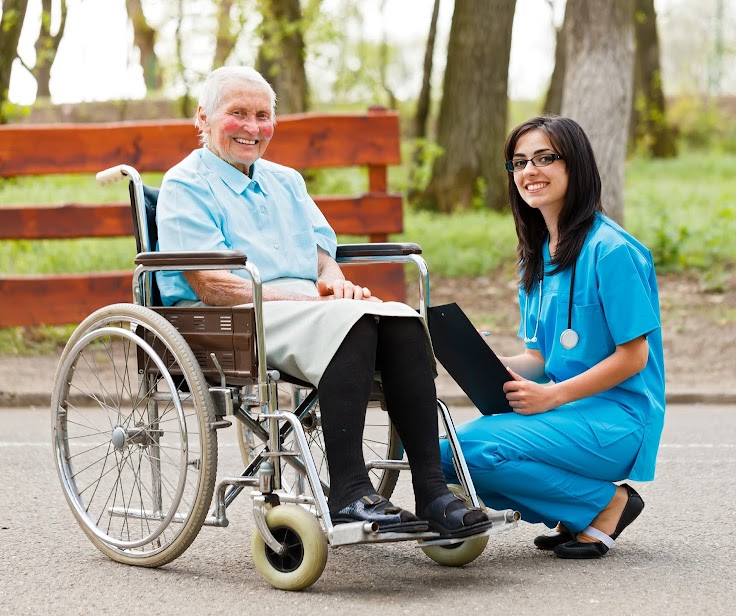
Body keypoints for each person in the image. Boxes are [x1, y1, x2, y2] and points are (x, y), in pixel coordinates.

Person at [155, 65, 490, 539]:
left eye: (263, 116)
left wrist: (336, 285)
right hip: (232, 315)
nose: (253, 127)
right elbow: (212, 284)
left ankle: (434, 493)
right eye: (238, 114)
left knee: (398, 319)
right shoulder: (185, 184)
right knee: (350, 324)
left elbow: (321, 256)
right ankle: (349, 493)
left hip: (306, 309)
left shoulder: (287, 181)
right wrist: (311, 301)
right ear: (203, 119)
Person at [439, 115, 665, 559]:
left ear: (574, 165)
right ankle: (584, 507)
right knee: (445, 455)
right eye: (519, 162)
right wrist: (484, 361)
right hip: (566, 412)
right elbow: (539, 358)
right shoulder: (537, 256)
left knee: (468, 449)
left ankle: (605, 505)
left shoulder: (614, 251)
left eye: (545, 158)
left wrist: (553, 397)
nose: (529, 171)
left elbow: (634, 356)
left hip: (617, 419)